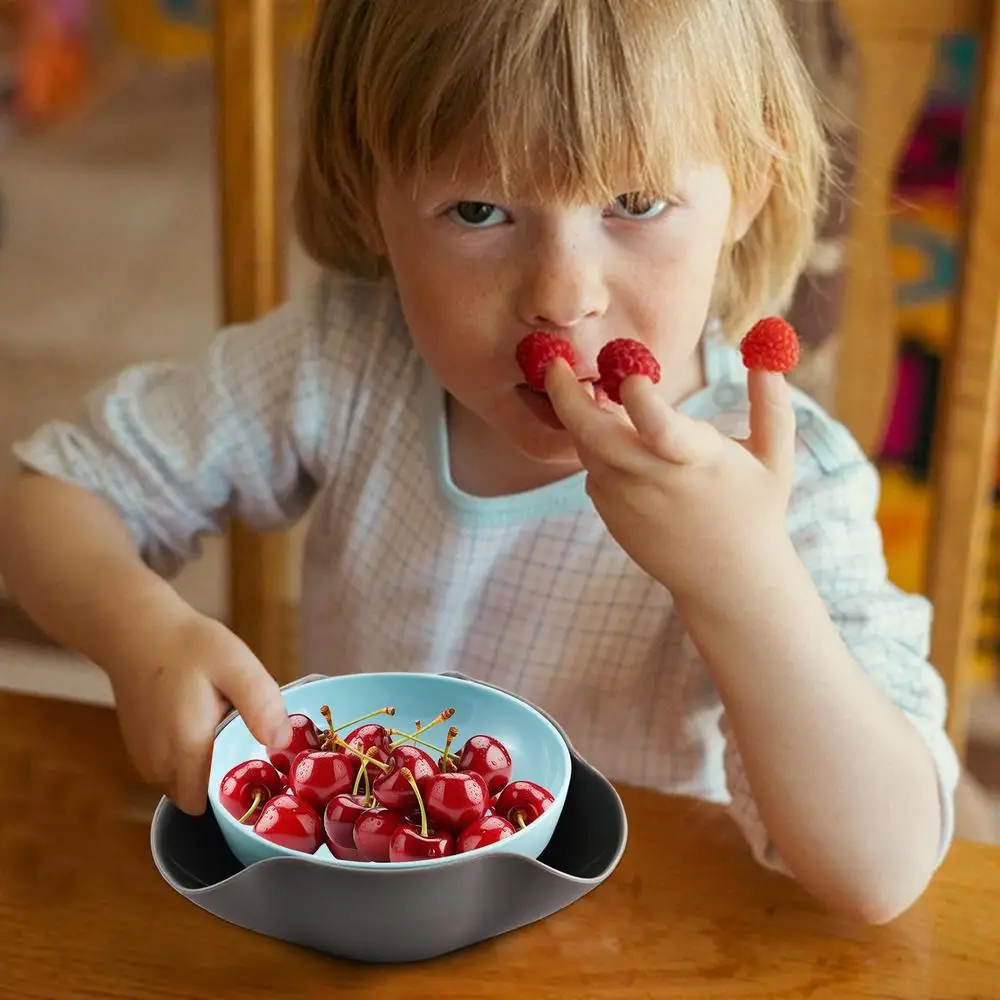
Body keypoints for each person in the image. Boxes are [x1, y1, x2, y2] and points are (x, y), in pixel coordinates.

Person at [0, 0, 958, 924]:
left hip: (641, 939)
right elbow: (46, 506)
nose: (561, 294)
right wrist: (142, 636)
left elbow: (882, 869)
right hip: (360, 920)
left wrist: (745, 578)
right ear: (370, 201)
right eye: (477, 209)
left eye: (634, 202)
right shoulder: (348, 361)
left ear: (745, 192)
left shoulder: (783, 484)